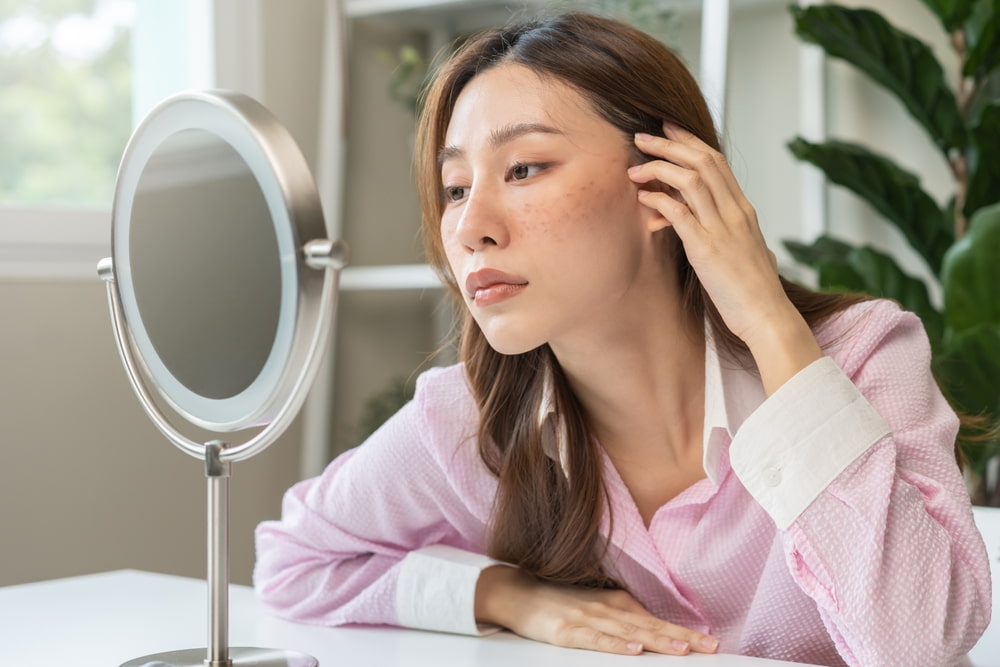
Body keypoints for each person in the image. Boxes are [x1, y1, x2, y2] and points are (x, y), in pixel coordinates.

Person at [254, 11, 991, 666]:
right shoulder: (467, 422)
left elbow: (919, 645)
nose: (471, 225)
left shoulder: (864, 355)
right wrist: (509, 596)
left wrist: (767, 318)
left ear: (665, 187)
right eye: (454, 187)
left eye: (523, 168)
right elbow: (292, 561)